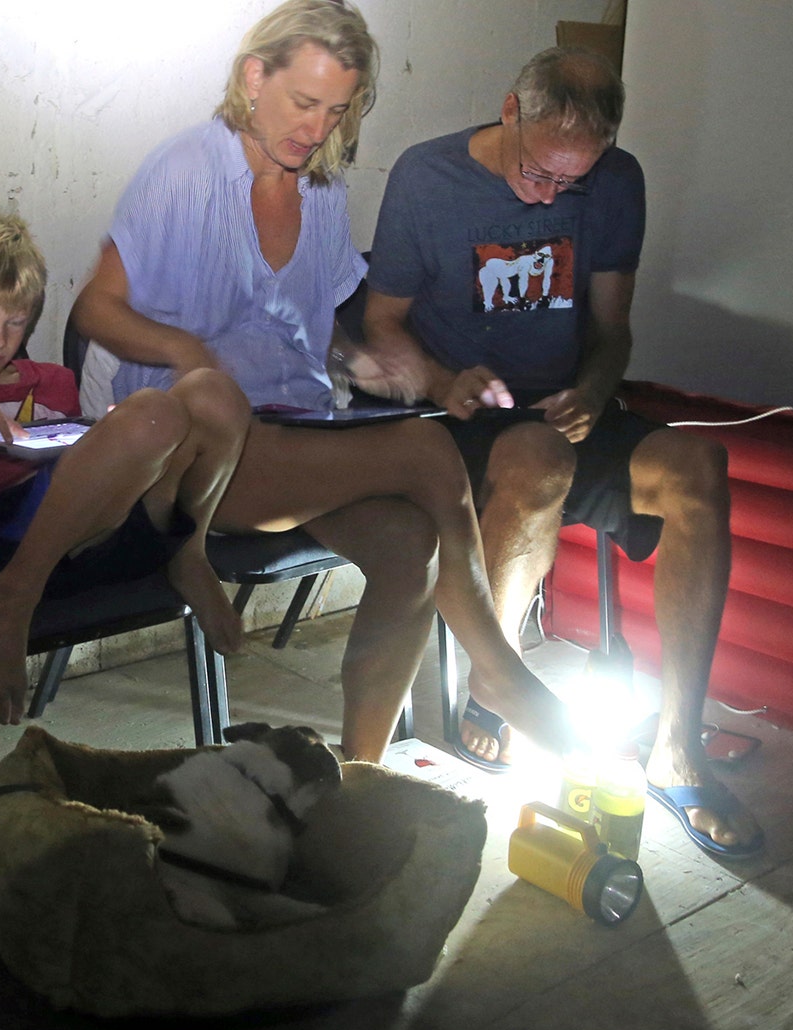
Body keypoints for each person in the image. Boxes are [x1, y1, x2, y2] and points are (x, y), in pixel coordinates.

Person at [71, 0, 571, 763]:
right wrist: (190, 352)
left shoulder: (323, 190)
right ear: (252, 77)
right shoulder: (184, 174)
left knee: (410, 548)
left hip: (289, 439)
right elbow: (94, 310)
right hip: (189, 461)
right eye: (303, 103)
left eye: (335, 111)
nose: (316, 127)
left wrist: (382, 367)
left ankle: (360, 773)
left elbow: (313, 328)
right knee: (428, 457)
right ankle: (497, 670)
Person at [358, 46, 762, 856]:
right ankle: (496, 687)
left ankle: (678, 748)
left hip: (561, 405)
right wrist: (440, 382)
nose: (549, 194)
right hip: (462, 416)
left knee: (698, 470)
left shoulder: (616, 183)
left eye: (570, 182)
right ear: (510, 111)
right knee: (537, 459)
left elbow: (613, 332)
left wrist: (594, 385)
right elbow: (379, 323)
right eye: (538, 172)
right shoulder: (427, 178)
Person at [0, 207, 251, 723]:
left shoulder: (50, 379)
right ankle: (12, 596)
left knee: (215, 393)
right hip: (8, 545)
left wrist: (116, 441)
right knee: (155, 415)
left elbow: (89, 463)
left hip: (105, 531)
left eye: (15, 320)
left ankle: (188, 551)